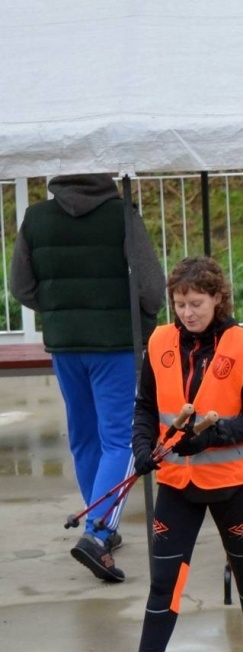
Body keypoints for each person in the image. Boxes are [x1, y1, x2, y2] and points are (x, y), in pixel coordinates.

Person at [98, 258, 243, 652]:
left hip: (235, 484)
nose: (187, 312)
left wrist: (214, 436)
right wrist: (142, 446)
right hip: (177, 483)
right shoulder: (159, 341)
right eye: (180, 304)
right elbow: (144, 407)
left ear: (217, 298)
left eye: (196, 303)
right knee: (164, 583)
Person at [9, 173, 164, 583]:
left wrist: (58, 310)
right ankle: (97, 532)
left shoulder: (35, 218)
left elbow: (20, 286)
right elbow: (151, 286)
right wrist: (142, 316)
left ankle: (100, 521)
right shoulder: (121, 214)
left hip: (65, 345)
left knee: (84, 436)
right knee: (121, 439)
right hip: (115, 344)